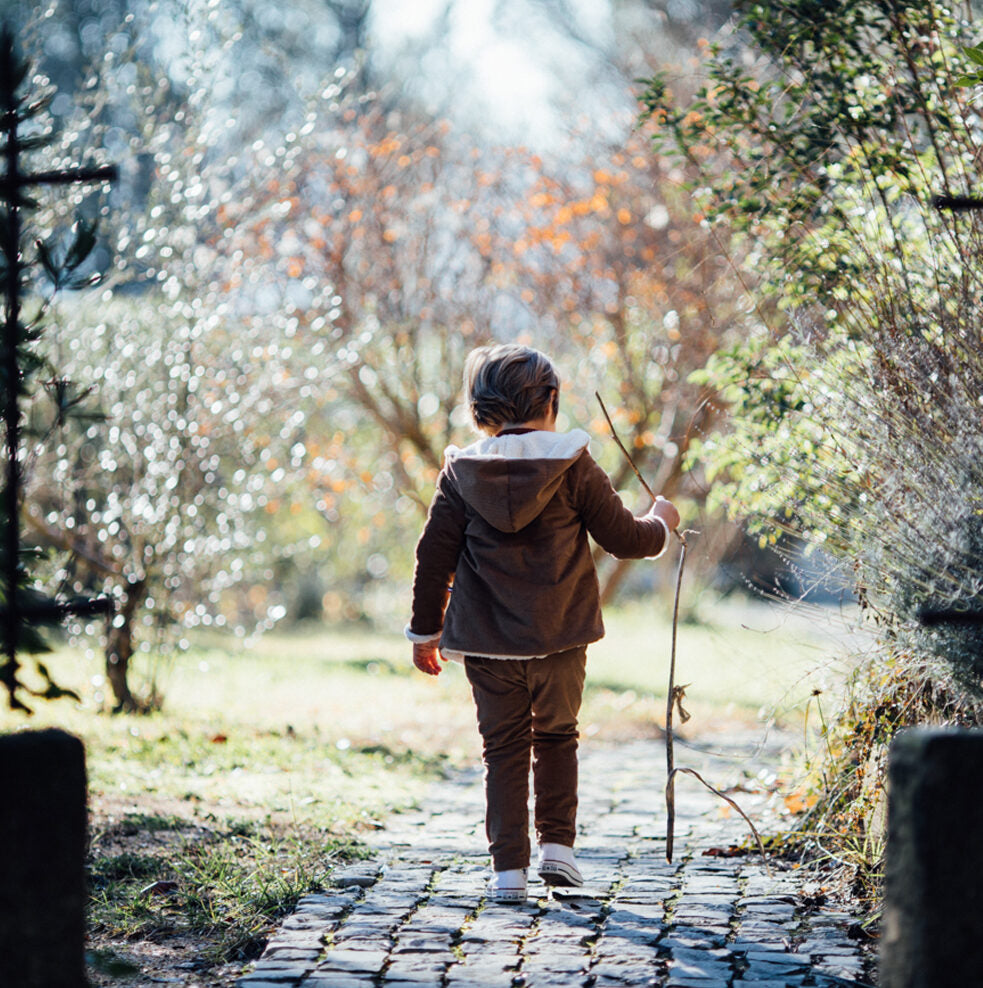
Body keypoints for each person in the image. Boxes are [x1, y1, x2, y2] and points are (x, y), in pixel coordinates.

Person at [405, 344, 680, 903]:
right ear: (551, 400)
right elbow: (626, 539)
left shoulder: (461, 474)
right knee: (557, 737)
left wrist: (424, 632)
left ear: (480, 411)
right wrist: (662, 522)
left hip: (486, 644)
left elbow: (432, 558)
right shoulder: (572, 463)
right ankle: (559, 851)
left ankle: (509, 872)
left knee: (502, 749)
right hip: (560, 640)